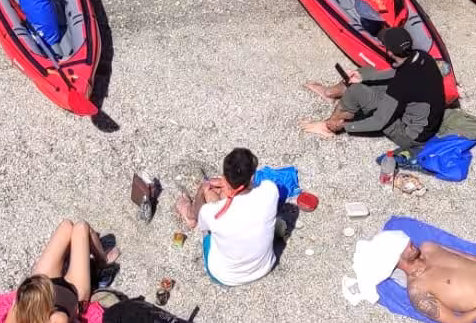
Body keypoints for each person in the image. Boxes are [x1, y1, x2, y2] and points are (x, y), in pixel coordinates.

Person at [300, 25, 446, 143]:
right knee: (366, 72)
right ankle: (330, 93)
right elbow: (397, 72)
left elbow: (379, 121)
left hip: (410, 134)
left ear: (390, 52)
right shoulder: (422, 56)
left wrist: (346, 126)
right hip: (421, 111)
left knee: (355, 91)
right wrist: (363, 78)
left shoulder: (400, 87)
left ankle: (328, 126)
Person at [0, 220, 118, 323]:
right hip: (74, 291)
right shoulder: (59, 320)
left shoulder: (15, 314)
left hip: (41, 287)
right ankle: (102, 260)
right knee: (81, 227)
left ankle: (73, 252)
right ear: (48, 300)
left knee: (66, 226)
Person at [173, 147, 281, 287]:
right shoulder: (271, 191)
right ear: (252, 176)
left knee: (206, 200)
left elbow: (202, 216)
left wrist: (202, 190)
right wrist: (227, 188)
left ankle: (188, 214)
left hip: (225, 276)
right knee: (223, 202)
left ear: (225, 178)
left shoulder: (211, 213)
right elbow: (251, 190)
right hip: (265, 267)